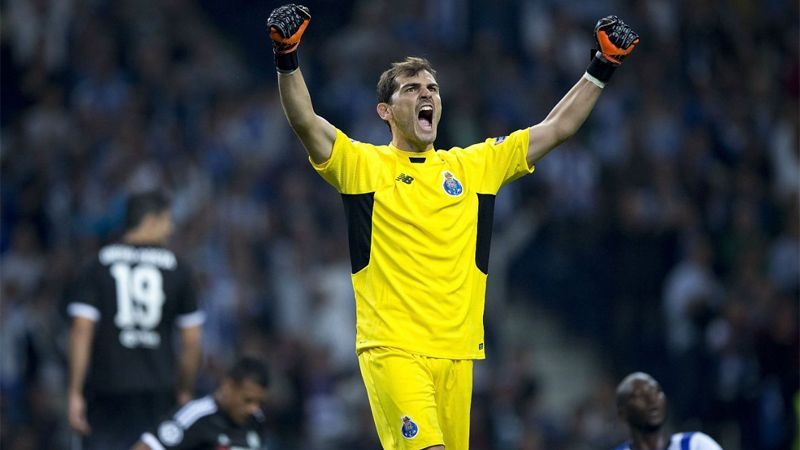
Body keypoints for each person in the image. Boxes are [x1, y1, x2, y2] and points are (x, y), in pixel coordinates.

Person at [267, 4, 638, 449]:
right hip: (394, 348)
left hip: (458, 352)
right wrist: (287, 57)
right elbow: (305, 121)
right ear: (385, 111)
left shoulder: (474, 166)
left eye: (432, 88)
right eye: (411, 89)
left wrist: (602, 66)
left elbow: (557, 127)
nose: (426, 94)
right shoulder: (363, 164)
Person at [66, 190, 205, 450]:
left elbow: (81, 331)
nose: (171, 229)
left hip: (107, 389)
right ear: (150, 221)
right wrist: (184, 390)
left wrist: (74, 392)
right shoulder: (178, 268)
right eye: (167, 221)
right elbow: (191, 341)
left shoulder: (97, 265)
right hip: (158, 391)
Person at [131, 356, 269, 450]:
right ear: (228, 386)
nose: (254, 408)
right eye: (247, 400)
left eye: (259, 402)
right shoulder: (195, 416)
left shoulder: (256, 420)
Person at [611, 372, 723, 450]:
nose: (652, 400)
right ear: (622, 413)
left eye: (656, 391)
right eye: (639, 396)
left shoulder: (696, 445)